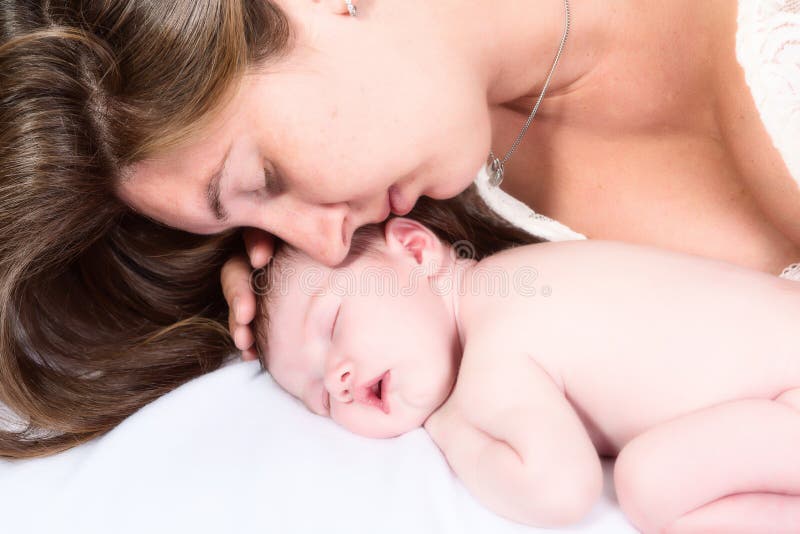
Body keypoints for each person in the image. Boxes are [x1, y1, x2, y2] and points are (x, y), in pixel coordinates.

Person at [1, 1, 798, 455]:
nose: (317, 240)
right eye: (251, 218)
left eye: (264, 181)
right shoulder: (454, 255)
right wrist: (298, 304)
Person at [253, 217, 800, 532]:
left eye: (333, 322)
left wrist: (448, 428)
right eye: (319, 396)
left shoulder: (495, 347)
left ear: (416, 251)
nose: (338, 378)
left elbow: (559, 491)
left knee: (650, 483)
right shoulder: (518, 276)